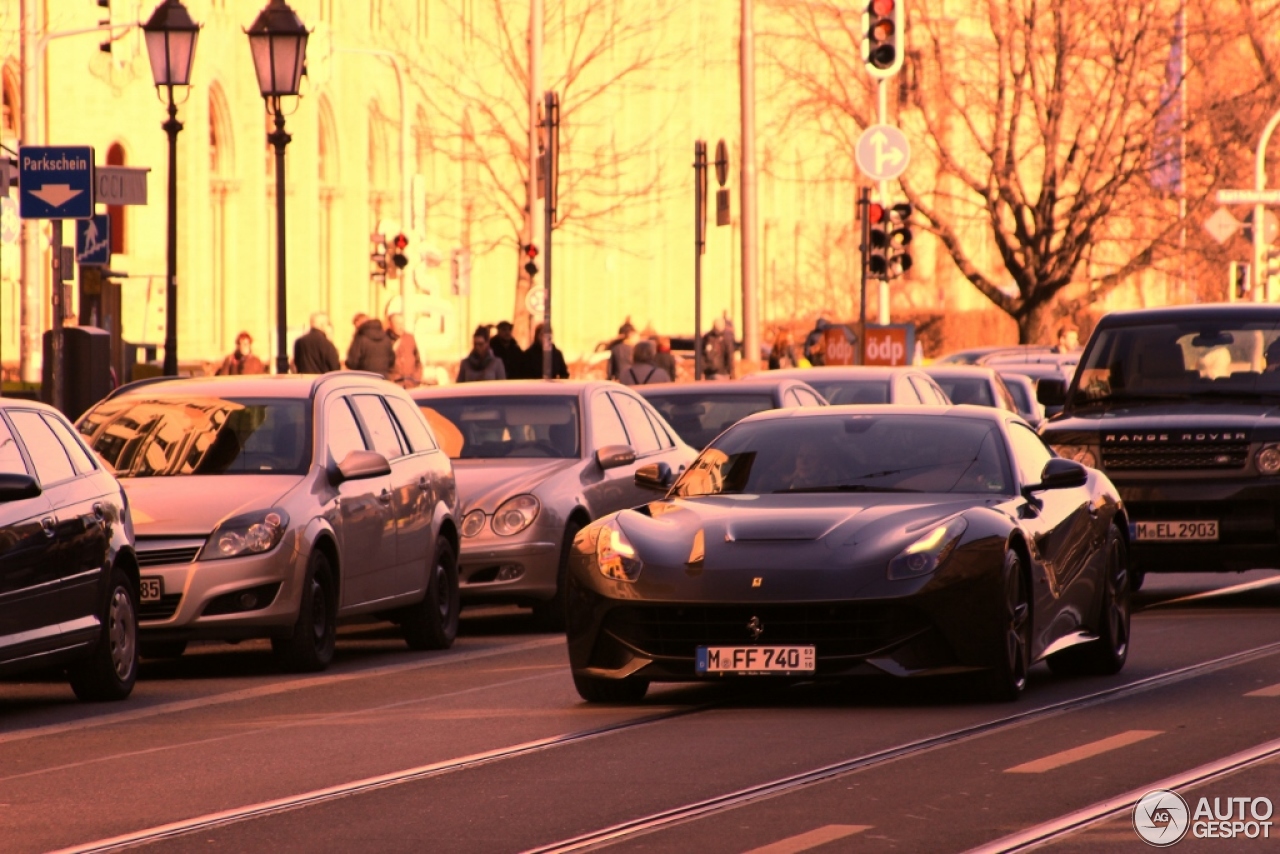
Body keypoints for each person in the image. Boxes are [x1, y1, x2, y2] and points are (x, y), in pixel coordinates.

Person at [386, 312, 424, 388]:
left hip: (411, 384)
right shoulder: (384, 340)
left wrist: (416, 378)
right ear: (390, 324)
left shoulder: (409, 338)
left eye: (402, 324)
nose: (401, 327)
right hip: (394, 386)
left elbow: (418, 361)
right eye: (397, 324)